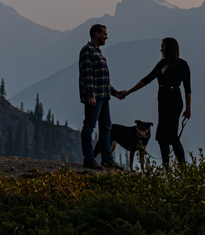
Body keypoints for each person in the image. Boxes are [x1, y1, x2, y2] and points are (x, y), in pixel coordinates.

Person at [121, 37, 191, 169]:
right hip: (163, 99)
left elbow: (188, 89)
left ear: (168, 48)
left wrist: (188, 109)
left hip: (174, 99)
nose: (160, 49)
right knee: (170, 135)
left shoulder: (182, 65)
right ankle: (178, 169)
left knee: (163, 136)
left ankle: (169, 168)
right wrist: (129, 91)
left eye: (162, 46)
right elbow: (147, 79)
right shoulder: (161, 64)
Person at [79, 24, 123, 170]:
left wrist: (115, 92)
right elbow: (87, 75)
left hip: (104, 96)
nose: (107, 37)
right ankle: (89, 159)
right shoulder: (87, 51)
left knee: (106, 127)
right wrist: (91, 96)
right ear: (96, 34)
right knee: (89, 126)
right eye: (105, 34)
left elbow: (102, 80)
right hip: (95, 98)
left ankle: (107, 159)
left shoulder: (98, 52)